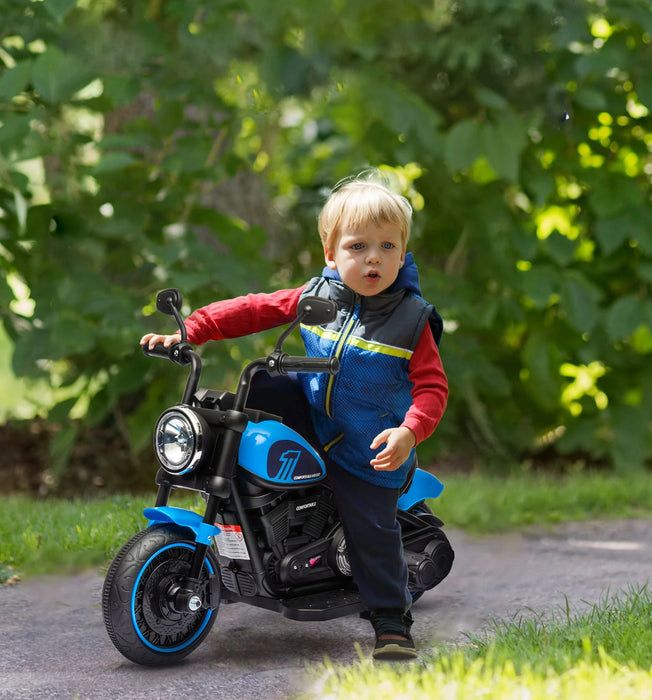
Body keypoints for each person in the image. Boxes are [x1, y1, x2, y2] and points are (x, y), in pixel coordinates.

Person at [141, 175, 448, 660]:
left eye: (388, 246)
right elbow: (254, 309)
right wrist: (192, 330)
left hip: (365, 446)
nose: (374, 258)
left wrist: (409, 431)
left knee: (370, 524)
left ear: (403, 250)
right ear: (331, 252)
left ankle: (391, 619)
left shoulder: (410, 318)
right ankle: (263, 545)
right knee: (256, 388)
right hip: (311, 423)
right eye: (358, 246)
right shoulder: (317, 296)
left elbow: (432, 388)